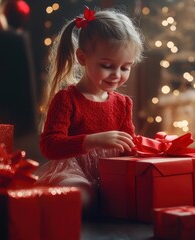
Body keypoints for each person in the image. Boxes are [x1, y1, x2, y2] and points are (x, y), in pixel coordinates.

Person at [35, 6, 144, 215]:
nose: (117, 75)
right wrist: (93, 140)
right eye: (107, 65)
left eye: (125, 67)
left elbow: (129, 146)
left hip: (112, 175)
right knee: (82, 196)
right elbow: (49, 146)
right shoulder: (67, 99)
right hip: (73, 172)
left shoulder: (123, 103)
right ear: (82, 57)